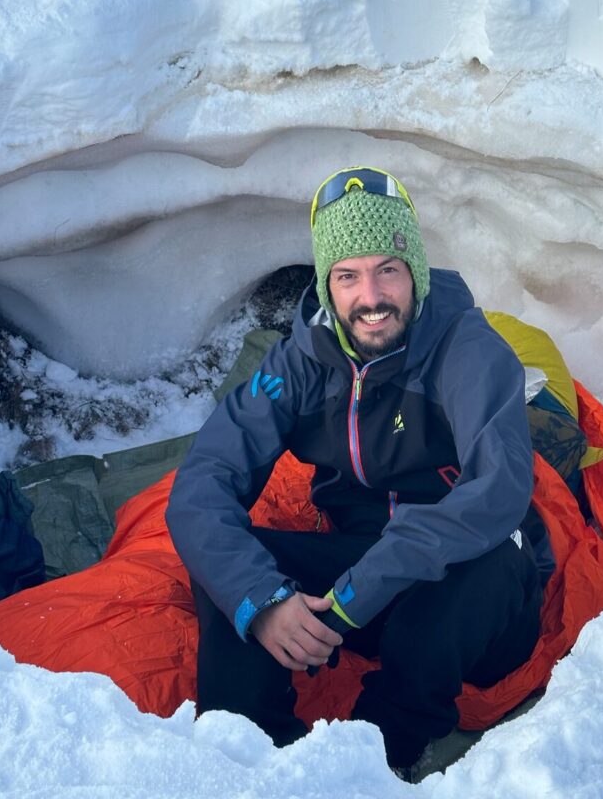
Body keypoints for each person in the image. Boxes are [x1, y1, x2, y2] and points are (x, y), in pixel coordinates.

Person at [166, 166, 543, 776]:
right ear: (327, 284)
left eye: (387, 269)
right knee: (232, 568)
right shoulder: (299, 363)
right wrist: (264, 602)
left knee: (479, 574)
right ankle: (244, 760)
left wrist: (353, 597)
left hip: (471, 586)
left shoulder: (467, 349)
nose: (371, 297)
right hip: (354, 582)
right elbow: (204, 482)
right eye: (348, 276)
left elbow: (497, 491)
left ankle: (373, 765)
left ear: (414, 272)